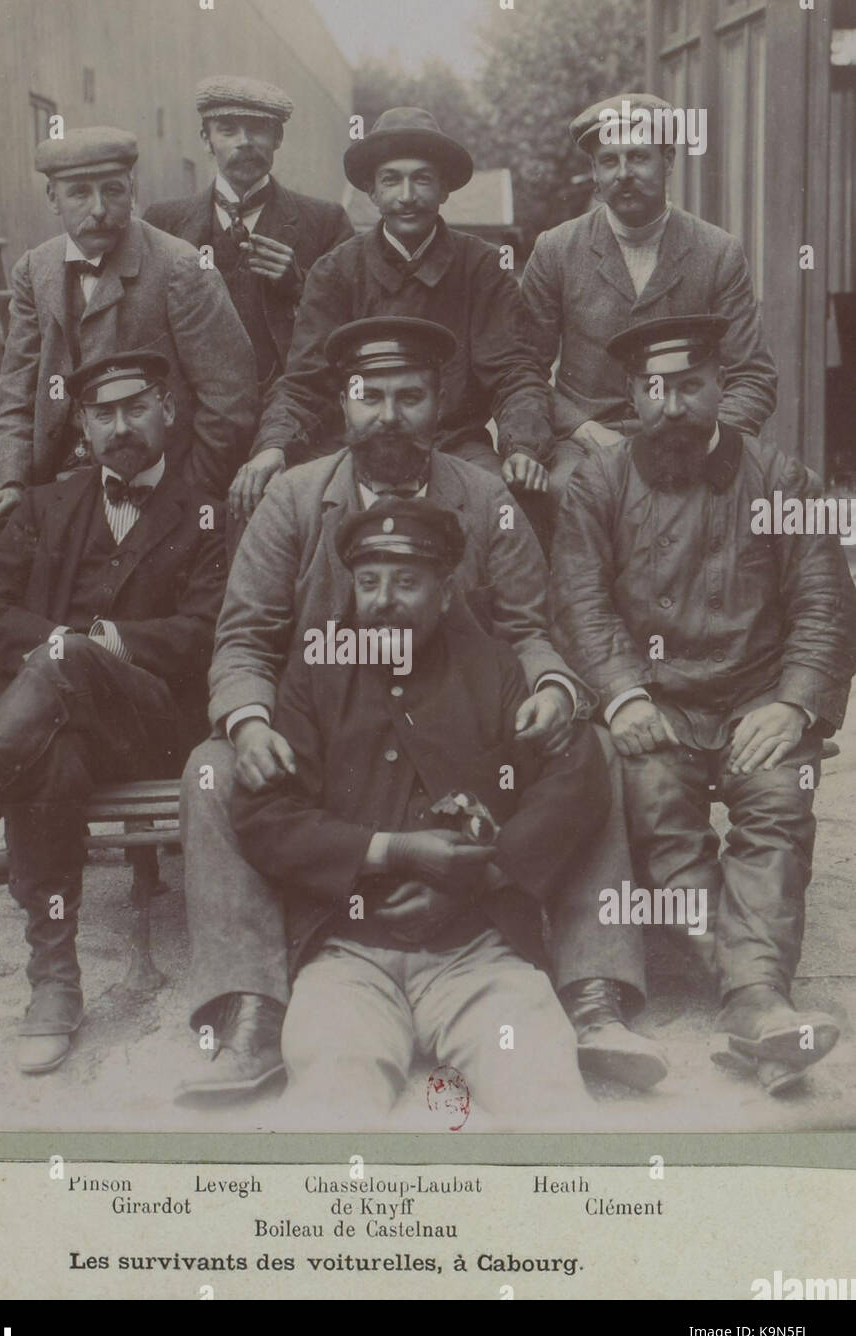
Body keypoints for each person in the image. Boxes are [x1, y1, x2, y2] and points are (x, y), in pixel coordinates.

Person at [177, 316, 664, 1099]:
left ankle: (593, 991)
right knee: (212, 769)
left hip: (464, 732)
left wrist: (549, 686)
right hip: (325, 735)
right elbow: (244, 635)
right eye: (371, 397)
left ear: (439, 405)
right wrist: (251, 720)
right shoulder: (295, 499)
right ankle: (254, 1008)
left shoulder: (485, 496)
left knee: (588, 746)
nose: (389, 415)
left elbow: (528, 625)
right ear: (344, 403)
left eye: (410, 396)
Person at [0, 352, 226, 1076]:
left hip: (154, 731)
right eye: (103, 414)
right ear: (84, 425)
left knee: (63, 666)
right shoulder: (43, 507)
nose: (119, 426)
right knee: (48, 745)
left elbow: (212, 629)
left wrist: (95, 648)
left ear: (168, 410)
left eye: (135, 407)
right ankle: (54, 981)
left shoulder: (210, 509)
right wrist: (63, 652)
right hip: (58, 729)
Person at [549, 314, 856, 1094]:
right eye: (655, 389)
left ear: (722, 385)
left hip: (758, 699)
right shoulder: (596, 483)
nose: (674, 405)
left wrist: (791, 707)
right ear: (630, 394)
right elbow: (581, 605)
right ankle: (755, 999)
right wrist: (620, 694)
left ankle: (752, 1000)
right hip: (656, 704)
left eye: (691, 385)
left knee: (782, 801)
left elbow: (824, 604)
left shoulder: (785, 481)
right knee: (654, 806)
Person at [230, 499, 609, 1126]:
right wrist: (393, 850)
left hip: (479, 954)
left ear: (444, 590)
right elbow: (265, 814)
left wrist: (485, 876)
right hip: (348, 954)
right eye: (368, 581)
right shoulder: (315, 673)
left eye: (407, 582)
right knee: (329, 1108)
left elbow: (577, 776)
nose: (383, 599)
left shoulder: (494, 666)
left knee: (548, 1099)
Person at [234, 107, 552, 529]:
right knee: (270, 500)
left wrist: (523, 447)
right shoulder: (336, 271)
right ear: (372, 192)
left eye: (422, 178)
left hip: (452, 443)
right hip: (353, 442)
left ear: (444, 190)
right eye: (391, 180)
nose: (406, 195)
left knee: (512, 510)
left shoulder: (482, 267)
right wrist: (273, 446)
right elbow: (304, 384)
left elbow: (514, 373)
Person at [0, 126, 258, 527]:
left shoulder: (181, 267)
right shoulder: (33, 270)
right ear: (52, 198)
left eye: (112, 190)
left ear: (132, 189)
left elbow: (231, 401)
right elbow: (16, 394)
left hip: (157, 489)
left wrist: (186, 497)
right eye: (79, 193)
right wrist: (12, 482)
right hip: (52, 488)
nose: (98, 209)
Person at [518, 92, 777, 504]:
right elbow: (523, 370)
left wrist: (706, 440)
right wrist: (585, 429)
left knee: (744, 501)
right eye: (609, 161)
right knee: (572, 495)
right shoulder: (556, 249)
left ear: (668, 161)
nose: (624, 173)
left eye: (639, 157)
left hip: (690, 435)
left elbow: (753, 377)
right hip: (587, 438)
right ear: (595, 173)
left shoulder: (718, 251)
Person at [144, 75, 353, 399]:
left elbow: (350, 318)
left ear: (278, 138)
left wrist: (299, 282)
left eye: (257, 129)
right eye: (228, 129)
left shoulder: (326, 221)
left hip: (290, 406)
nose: (244, 141)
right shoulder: (162, 223)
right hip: (195, 411)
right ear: (205, 139)